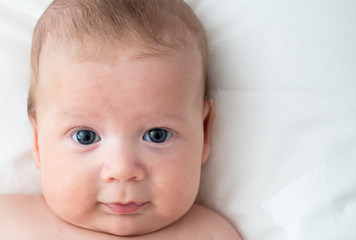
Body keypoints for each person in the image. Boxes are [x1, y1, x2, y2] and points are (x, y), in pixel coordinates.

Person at [0, 0, 241, 239]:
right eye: (86, 137)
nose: (122, 169)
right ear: (38, 141)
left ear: (204, 131)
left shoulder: (211, 234)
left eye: (157, 135)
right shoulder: (10, 222)